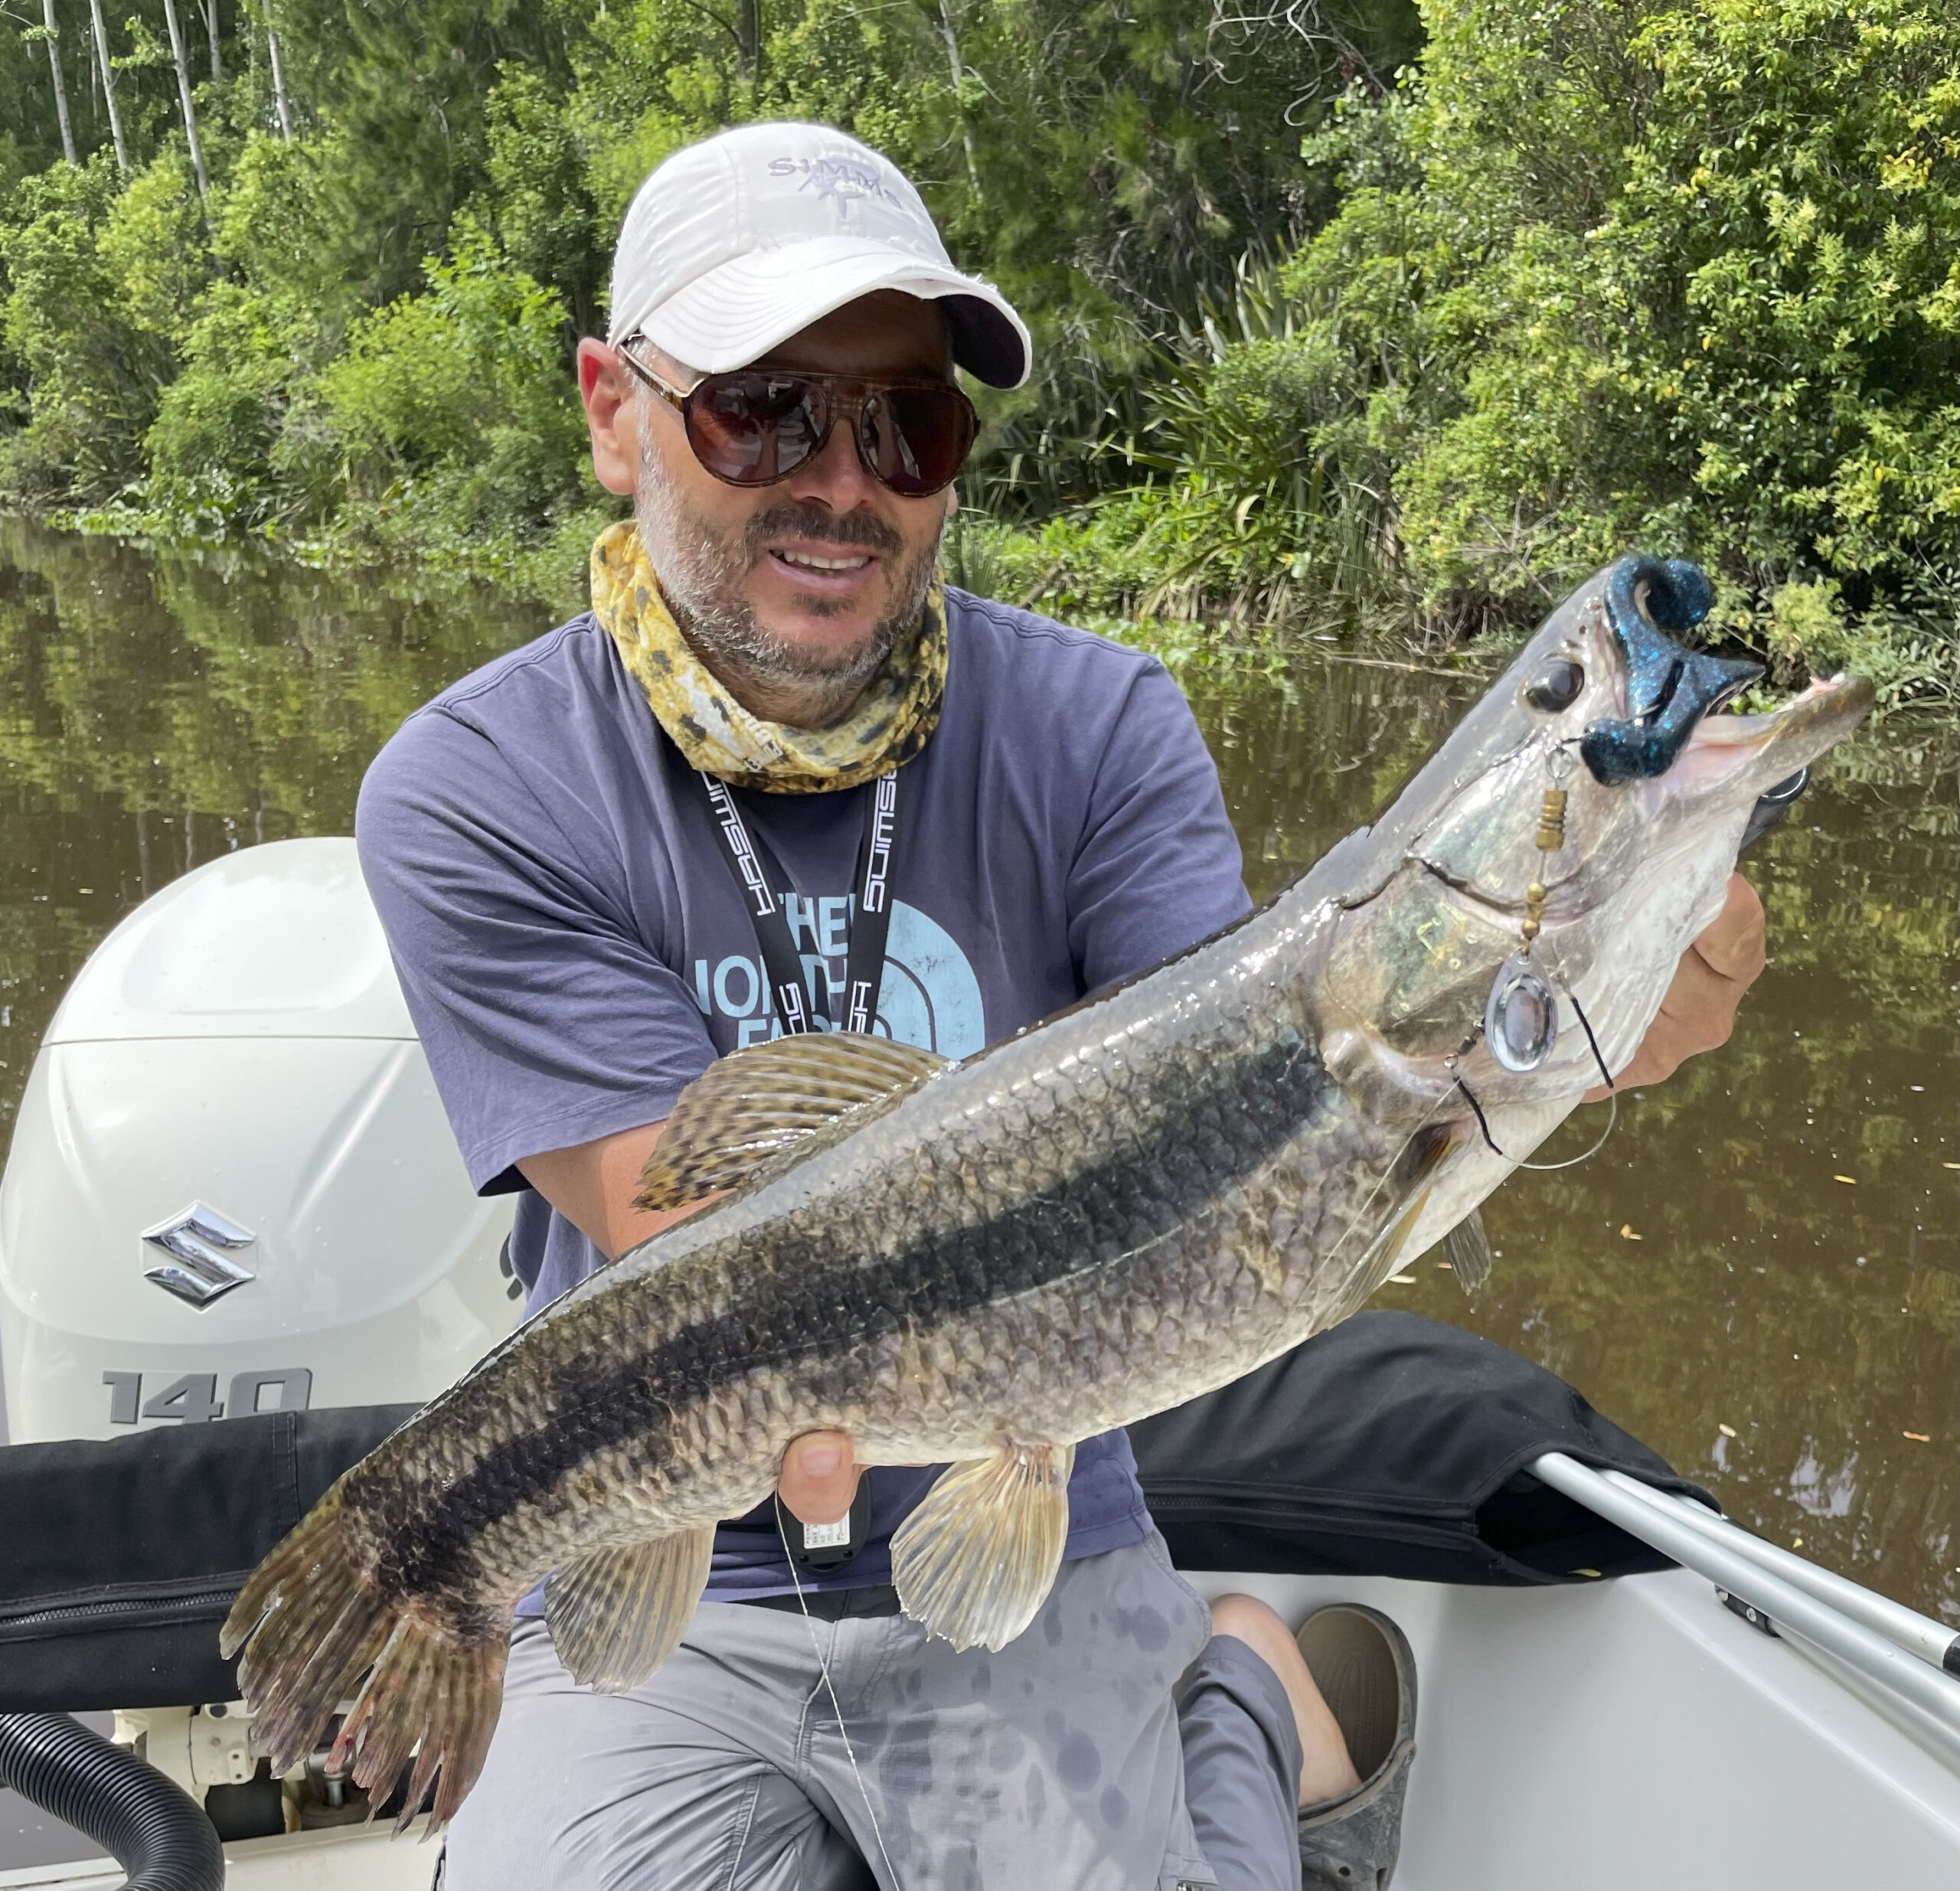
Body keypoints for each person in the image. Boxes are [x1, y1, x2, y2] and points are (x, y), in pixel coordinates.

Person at [357, 122, 1766, 1890]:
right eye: (763, 409)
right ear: (612, 409)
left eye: (907, 422)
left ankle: (1236, 1685)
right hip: (665, 1541)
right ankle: (1239, 1690)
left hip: (1047, 1506)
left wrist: (1574, 1006)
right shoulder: (473, 784)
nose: (843, 477)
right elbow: (685, 1221)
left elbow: (1256, 1106)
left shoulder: (1102, 725)